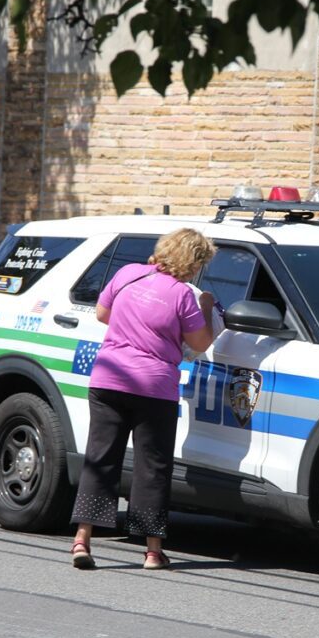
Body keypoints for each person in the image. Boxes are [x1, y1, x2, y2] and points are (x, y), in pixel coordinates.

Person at [69, 228, 217, 570]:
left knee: (101, 458)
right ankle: (152, 552)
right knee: (152, 466)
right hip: (154, 387)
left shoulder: (127, 274)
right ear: (192, 263)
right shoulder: (182, 295)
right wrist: (205, 308)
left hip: (108, 379)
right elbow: (200, 343)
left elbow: (103, 315)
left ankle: (82, 540)